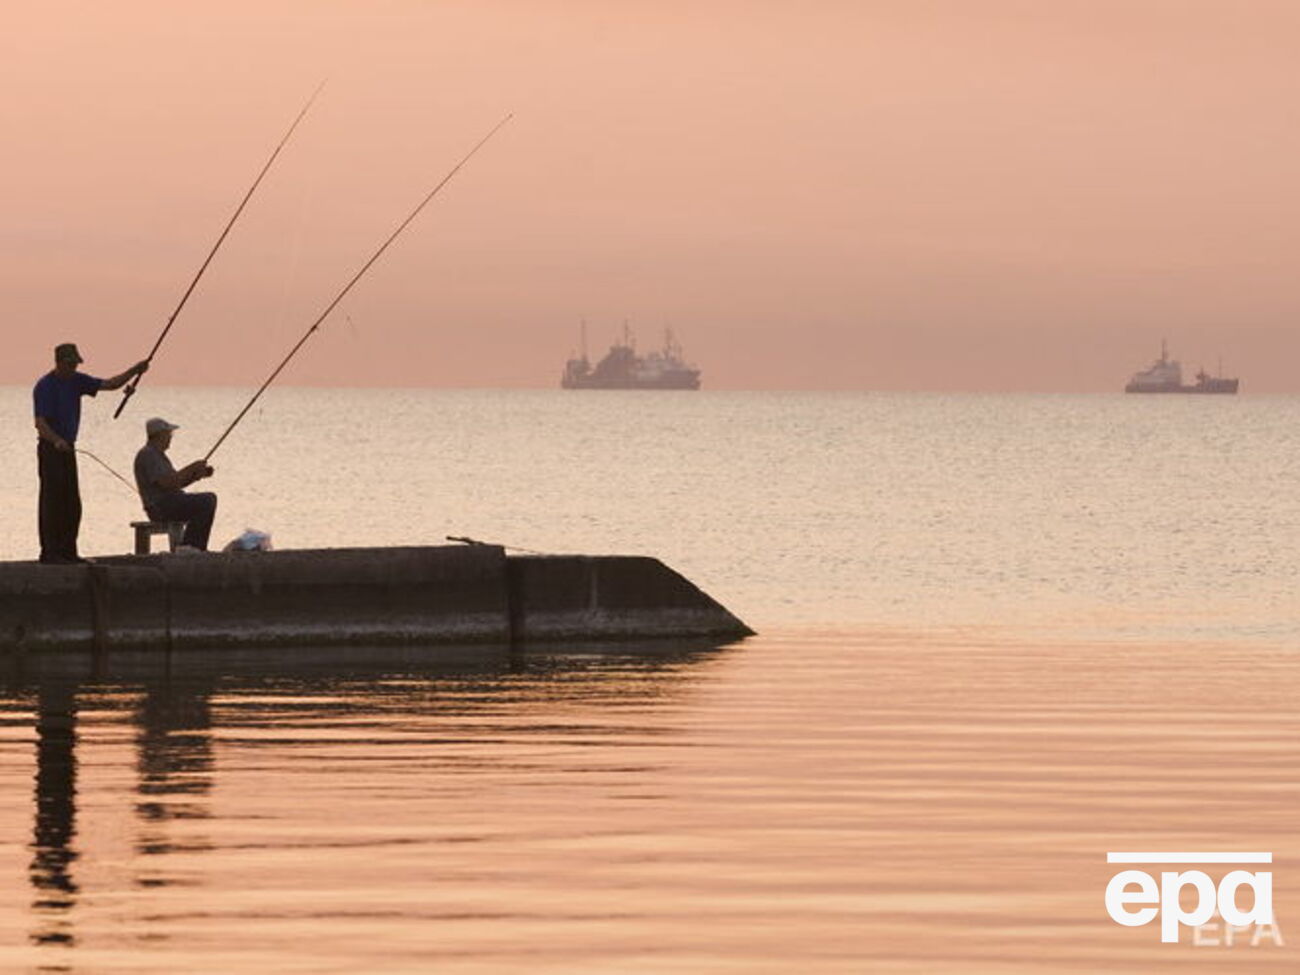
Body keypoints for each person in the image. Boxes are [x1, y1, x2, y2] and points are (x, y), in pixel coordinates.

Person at [34, 343, 149, 564]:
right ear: (59, 362)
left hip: (68, 448)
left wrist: (135, 370)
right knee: (52, 502)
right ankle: (50, 553)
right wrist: (56, 440)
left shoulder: (77, 381)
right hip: (51, 449)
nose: (73, 368)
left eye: (75, 364)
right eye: (69, 364)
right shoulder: (45, 386)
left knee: (72, 503)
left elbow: (111, 384)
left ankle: (68, 551)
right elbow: (40, 423)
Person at [133, 417, 218, 551]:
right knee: (207, 501)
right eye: (169, 434)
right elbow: (167, 483)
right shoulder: (148, 455)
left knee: (207, 500)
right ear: (159, 435)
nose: (171, 437)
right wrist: (193, 467)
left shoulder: (158, 455)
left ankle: (192, 547)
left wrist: (195, 476)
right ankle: (190, 547)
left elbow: (175, 484)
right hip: (161, 507)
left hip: (169, 502)